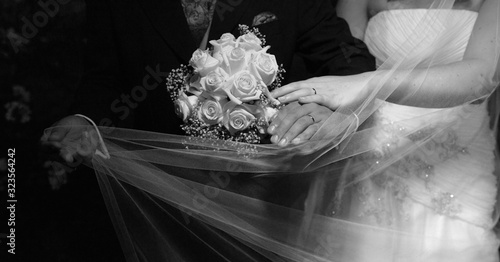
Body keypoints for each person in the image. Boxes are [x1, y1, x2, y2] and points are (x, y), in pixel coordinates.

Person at [41, 0, 375, 261]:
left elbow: (349, 59)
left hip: (260, 194)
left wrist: (322, 106)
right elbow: (104, 75)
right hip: (157, 190)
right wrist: (86, 118)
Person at [270, 0, 500, 260]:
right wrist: (331, 113)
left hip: (456, 166)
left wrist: (369, 84)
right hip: (368, 154)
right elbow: (345, 61)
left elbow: (482, 76)